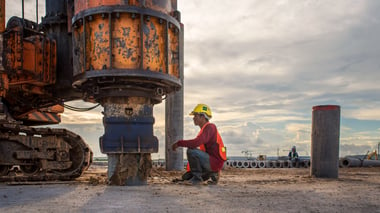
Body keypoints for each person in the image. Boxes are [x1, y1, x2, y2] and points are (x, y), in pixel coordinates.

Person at [172, 104, 227, 185]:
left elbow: (195, 143)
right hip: (213, 163)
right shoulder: (206, 129)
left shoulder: (210, 127)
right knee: (187, 177)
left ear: (202, 116)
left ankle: (197, 179)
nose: (193, 118)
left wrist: (179, 143)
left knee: (191, 151)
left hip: (214, 163)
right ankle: (212, 174)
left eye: (195, 115)